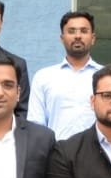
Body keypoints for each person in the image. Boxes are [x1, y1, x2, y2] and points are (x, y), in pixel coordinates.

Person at [28, 10, 104, 141]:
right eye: (71, 31)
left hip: (97, 154)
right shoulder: (44, 77)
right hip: (55, 154)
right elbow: (36, 124)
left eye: (84, 31)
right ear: (62, 38)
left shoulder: (105, 77)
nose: (78, 36)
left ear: (93, 38)